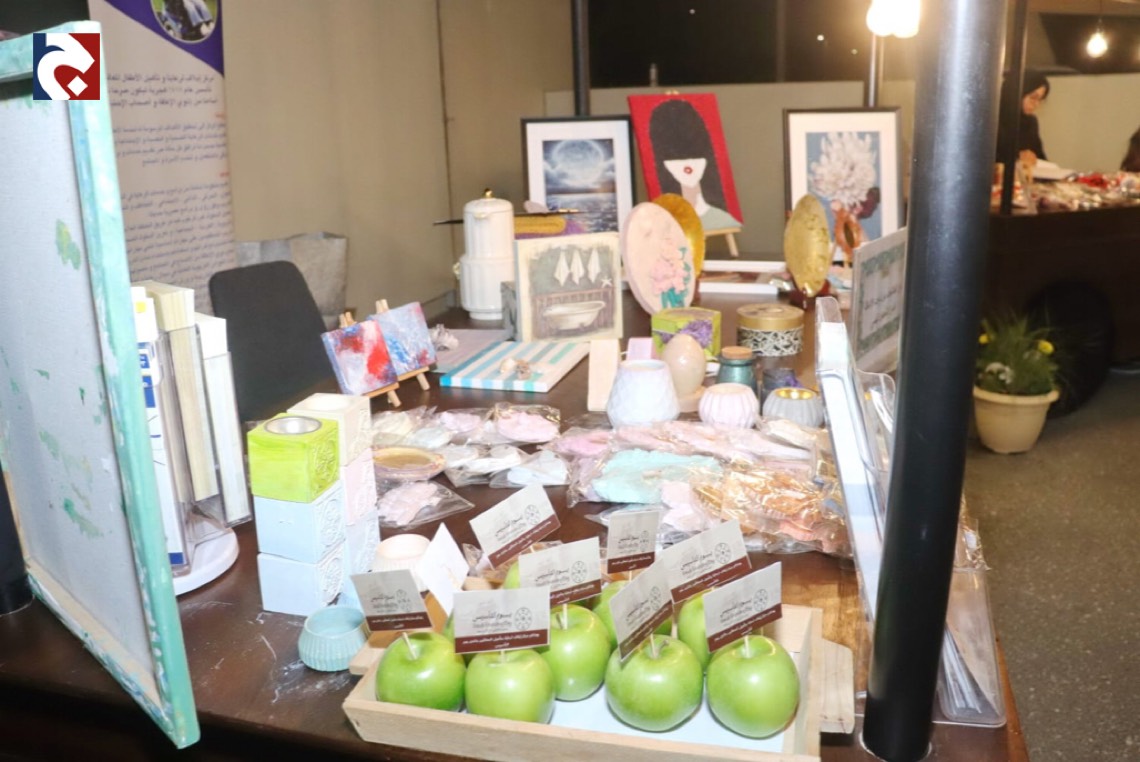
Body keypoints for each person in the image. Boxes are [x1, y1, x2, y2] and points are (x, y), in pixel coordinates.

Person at [996, 69, 1050, 167]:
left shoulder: (1031, 122)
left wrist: (1033, 158)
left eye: (1040, 100)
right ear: (1017, 94)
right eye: (1033, 97)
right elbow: (984, 157)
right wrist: (1016, 156)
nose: (1036, 104)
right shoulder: (992, 120)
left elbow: (1041, 157)